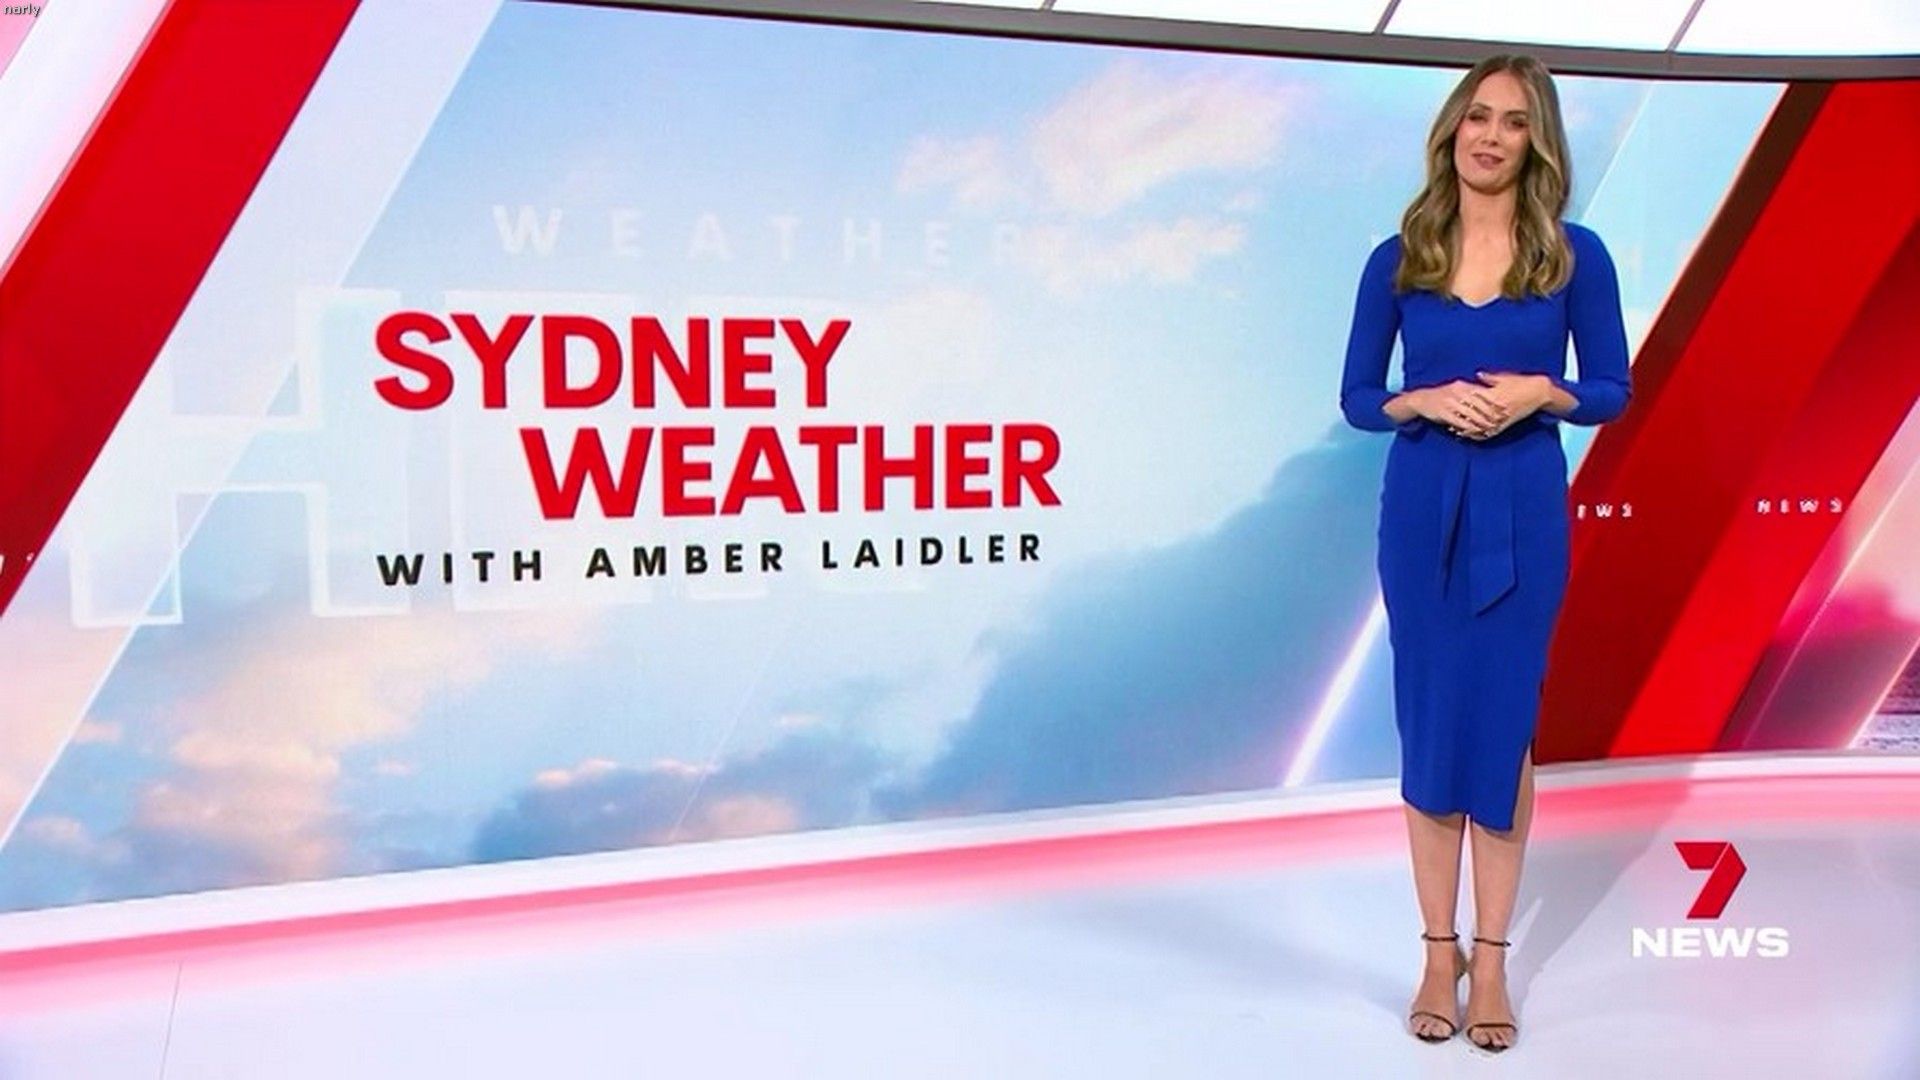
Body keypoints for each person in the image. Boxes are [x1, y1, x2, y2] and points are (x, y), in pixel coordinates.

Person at [1337, 54, 1632, 1053]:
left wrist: (1543, 392)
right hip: (1422, 510)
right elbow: (1357, 397)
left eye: (1512, 121)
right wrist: (1418, 399)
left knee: (1502, 732)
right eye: (1477, 117)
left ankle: (1493, 960)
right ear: (1452, 130)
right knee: (1429, 729)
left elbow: (1611, 388)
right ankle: (1438, 954)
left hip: (1523, 508)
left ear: (1536, 141)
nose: (1491, 136)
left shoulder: (1574, 256)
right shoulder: (1400, 256)